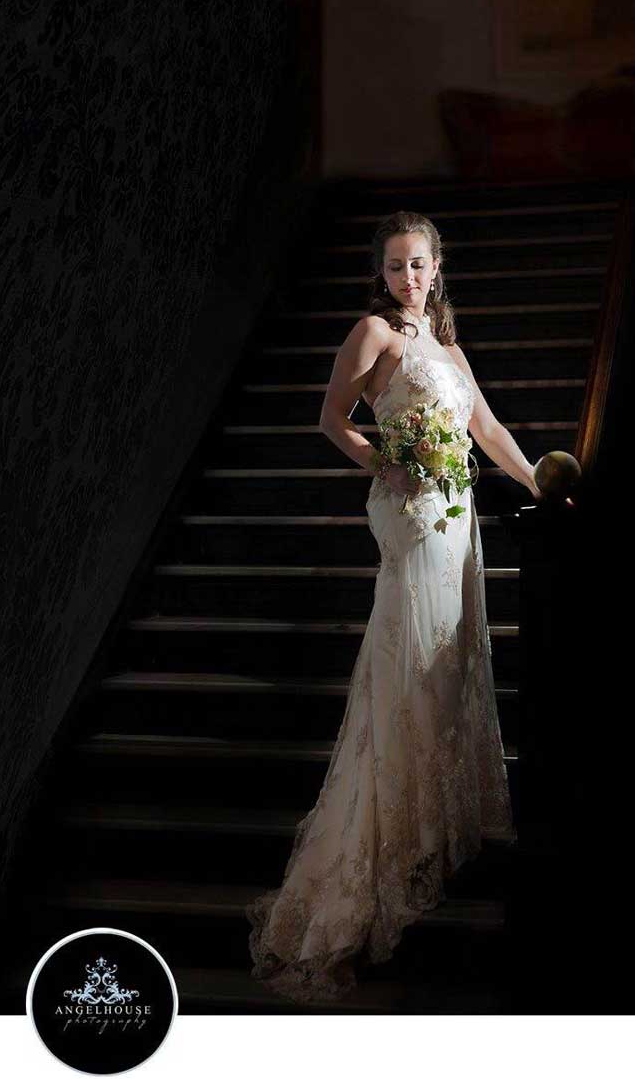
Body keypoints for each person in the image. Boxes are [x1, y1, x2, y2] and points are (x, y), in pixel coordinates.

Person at [245, 210, 541, 1006]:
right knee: (408, 662)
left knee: (451, 663)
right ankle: (388, 840)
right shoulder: (374, 334)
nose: (409, 278)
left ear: (437, 270)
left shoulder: (447, 347)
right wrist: (392, 466)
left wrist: (539, 483)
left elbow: (485, 427)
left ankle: (432, 832)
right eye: (396, 266)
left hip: (459, 518)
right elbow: (330, 419)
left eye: (420, 265)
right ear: (382, 274)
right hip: (412, 516)